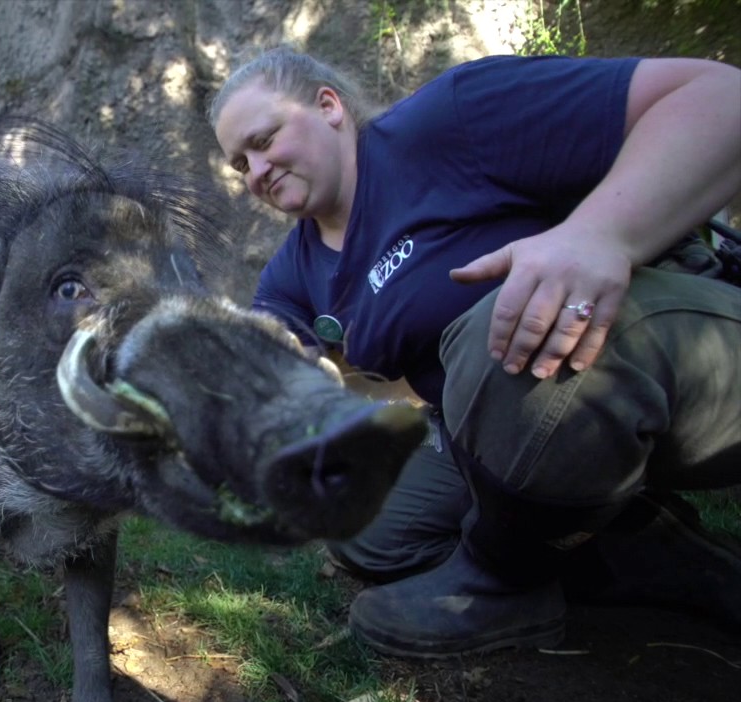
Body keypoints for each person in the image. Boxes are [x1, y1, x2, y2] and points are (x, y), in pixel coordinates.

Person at [209, 46, 741, 659]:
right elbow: (262, 358)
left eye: (264, 140)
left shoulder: (450, 119)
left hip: (677, 354)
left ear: (328, 107)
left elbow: (720, 97)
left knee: (502, 326)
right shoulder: (294, 270)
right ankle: (643, 547)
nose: (255, 172)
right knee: (363, 524)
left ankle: (499, 580)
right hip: (501, 422)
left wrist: (600, 237)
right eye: (239, 163)